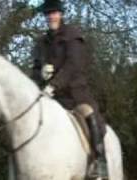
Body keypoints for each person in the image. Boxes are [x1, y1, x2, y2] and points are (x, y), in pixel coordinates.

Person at [32, 0, 108, 179]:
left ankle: (100, 163)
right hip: (50, 98)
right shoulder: (41, 42)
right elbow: (35, 68)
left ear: (61, 14)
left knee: (90, 114)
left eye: (54, 12)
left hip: (75, 94)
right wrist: (39, 76)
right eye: (47, 13)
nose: (51, 16)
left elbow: (74, 65)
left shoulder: (73, 35)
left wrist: (53, 85)